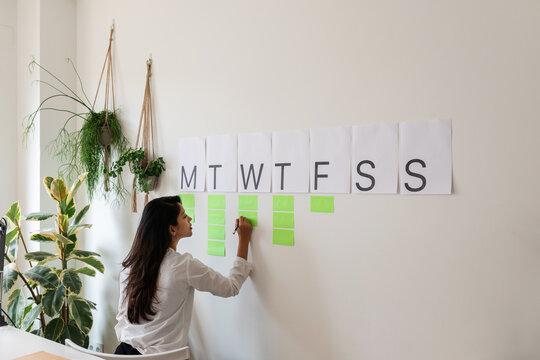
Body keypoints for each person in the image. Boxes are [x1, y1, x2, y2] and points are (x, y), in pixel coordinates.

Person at [114, 195, 253, 355]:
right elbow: (231, 287)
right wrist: (244, 240)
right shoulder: (183, 266)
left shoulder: (130, 267)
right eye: (184, 216)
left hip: (122, 354)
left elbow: (122, 316)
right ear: (172, 229)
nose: (190, 218)